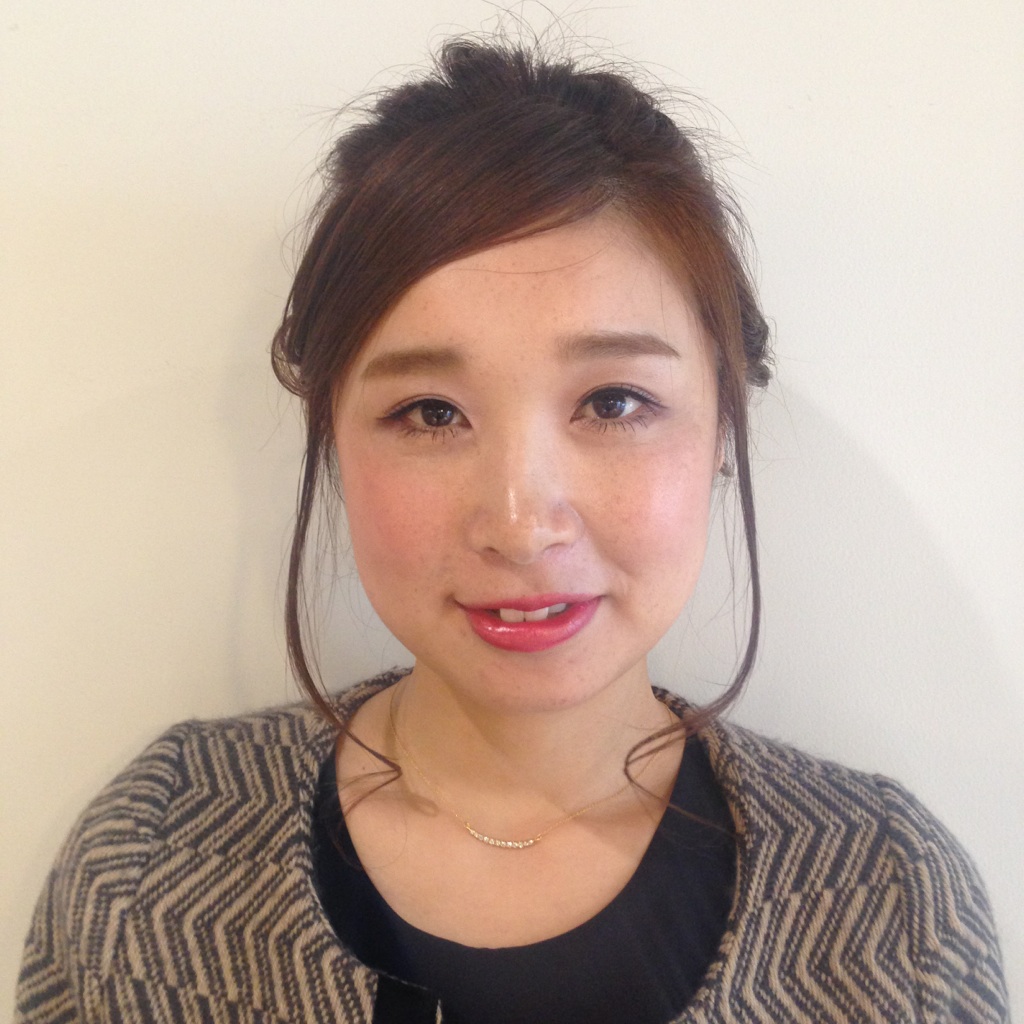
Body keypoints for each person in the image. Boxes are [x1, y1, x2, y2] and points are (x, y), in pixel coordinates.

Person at [15, 37, 1008, 1024]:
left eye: (613, 402)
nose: (522, 526)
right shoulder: (154, 856)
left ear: (720, 429)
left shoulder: (892, 906)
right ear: (332, 435)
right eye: (431, 413)